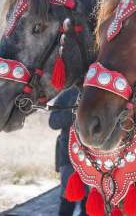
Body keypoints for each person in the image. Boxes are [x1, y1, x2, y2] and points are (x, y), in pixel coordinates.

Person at [49, 87, 86, 216]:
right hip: (69, 157)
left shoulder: (100, 89)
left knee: (89, 203)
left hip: (96, 159)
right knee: (67, 201)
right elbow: (53, 122)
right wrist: (74, 112)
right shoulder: (67, 93)